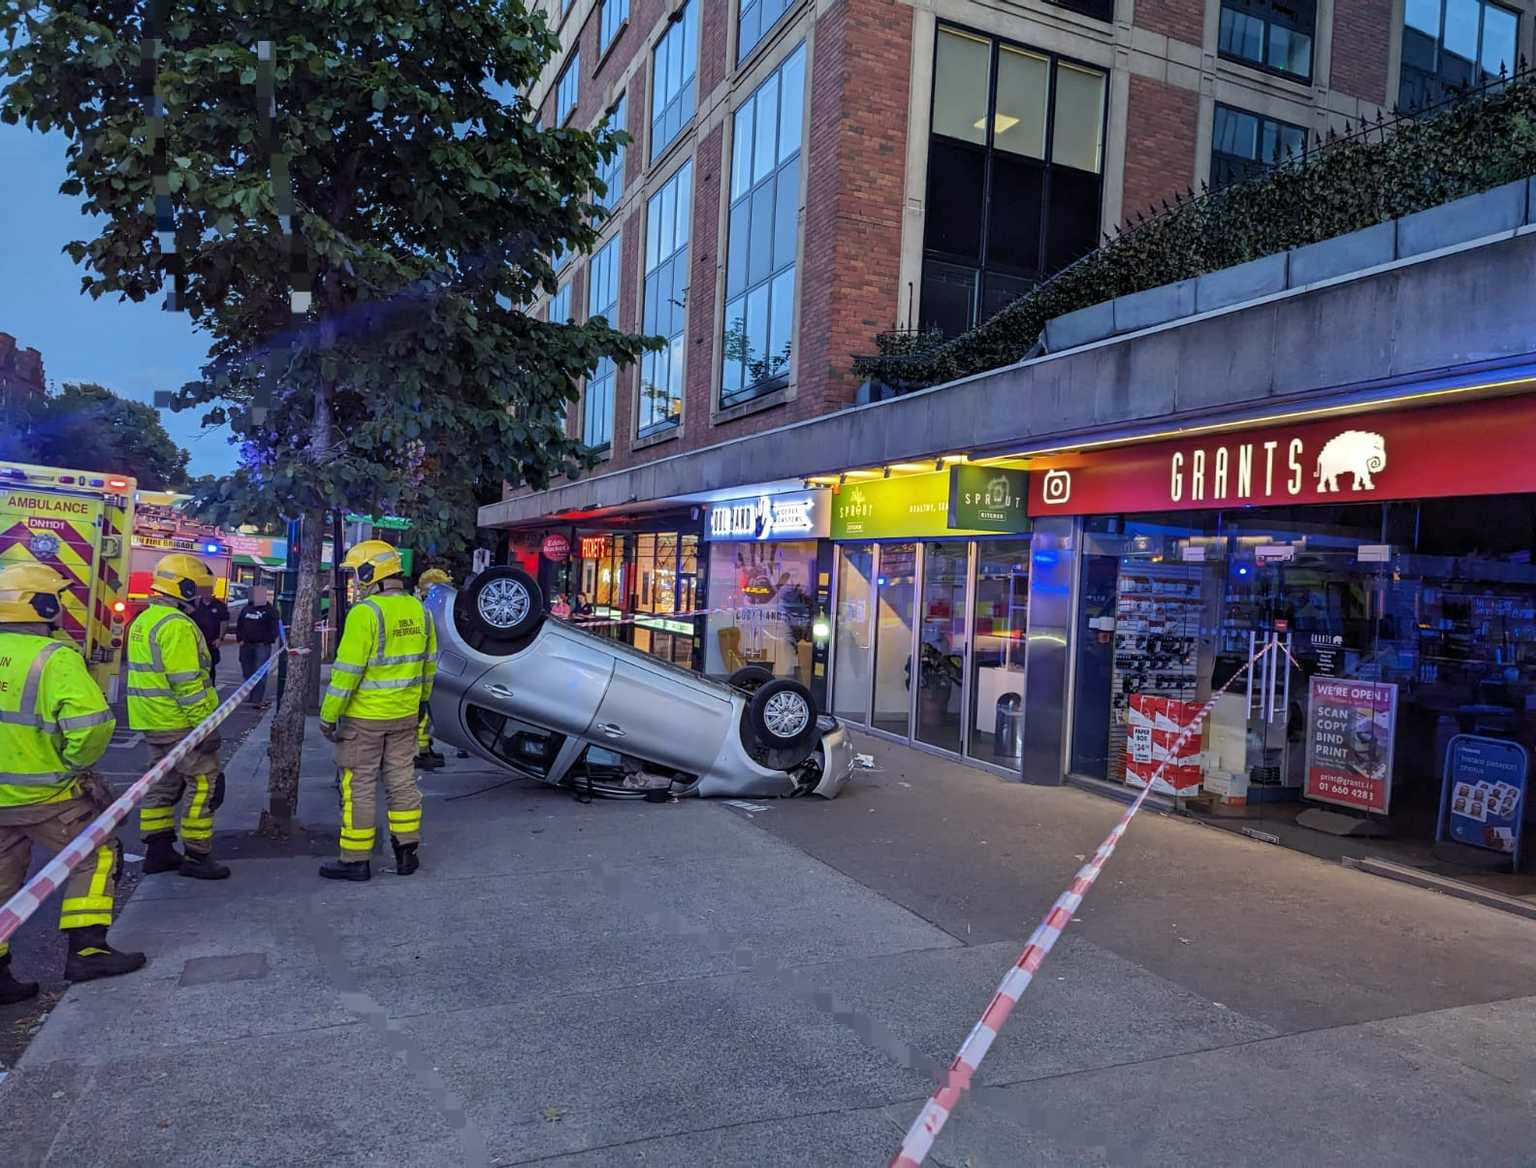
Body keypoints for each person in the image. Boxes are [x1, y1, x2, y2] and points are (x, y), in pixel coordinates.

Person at [0, 563, 146, 1002]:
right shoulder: (53, 657)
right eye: (57, 599)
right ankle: (86, 949)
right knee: (97, 852)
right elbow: (93, 727)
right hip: (49, 795)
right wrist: (72, 765)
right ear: (41, 605)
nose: (61, 607)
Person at [319, 540, 436, 881]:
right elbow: (429, 666)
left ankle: (355, 859)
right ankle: (406, 853)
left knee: (360, 785)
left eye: (358, 574)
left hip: (365, 718)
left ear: (371, 572)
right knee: (401, 780)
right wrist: (420, 705)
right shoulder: (420, 610)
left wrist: (329, 715)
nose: (358, 581)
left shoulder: (365, 613)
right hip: (405, 714)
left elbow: (346, 674)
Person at [127, 553, 230, 880]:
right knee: (203, 784)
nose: (200, 597)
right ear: (182, 587)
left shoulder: (144, 620)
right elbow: (187, 683)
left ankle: (157, 850)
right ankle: (198, 854)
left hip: (152, 722)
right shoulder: (177, 626)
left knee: (162, 783)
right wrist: (205, 726)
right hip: (181, 723)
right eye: (196, 589)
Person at [412, 568, 452, 770]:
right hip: (423, 671)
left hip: (424, 669)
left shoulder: (423, 606)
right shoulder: (429, 608)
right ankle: (422, 751)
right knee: (423, 716)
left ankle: (424, 749)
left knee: (425, 715)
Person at [235, 584, 280, 709]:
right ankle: (251, 695)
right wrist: (240, 639)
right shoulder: (246, 609)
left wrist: (268, 640)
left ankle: (257, 699)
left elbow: (274, 628)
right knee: (247, 672)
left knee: (260, 672)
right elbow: (240, 624)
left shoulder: (270, 611)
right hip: (246, 645)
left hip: (261, 646)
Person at [190, 591, 230, 689]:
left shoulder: (219, 605)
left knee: (210, 666)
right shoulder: (194, 604)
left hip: (211, 642)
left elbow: (224, 622)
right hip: (194, 642)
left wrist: (220, 638)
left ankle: (210, 687)